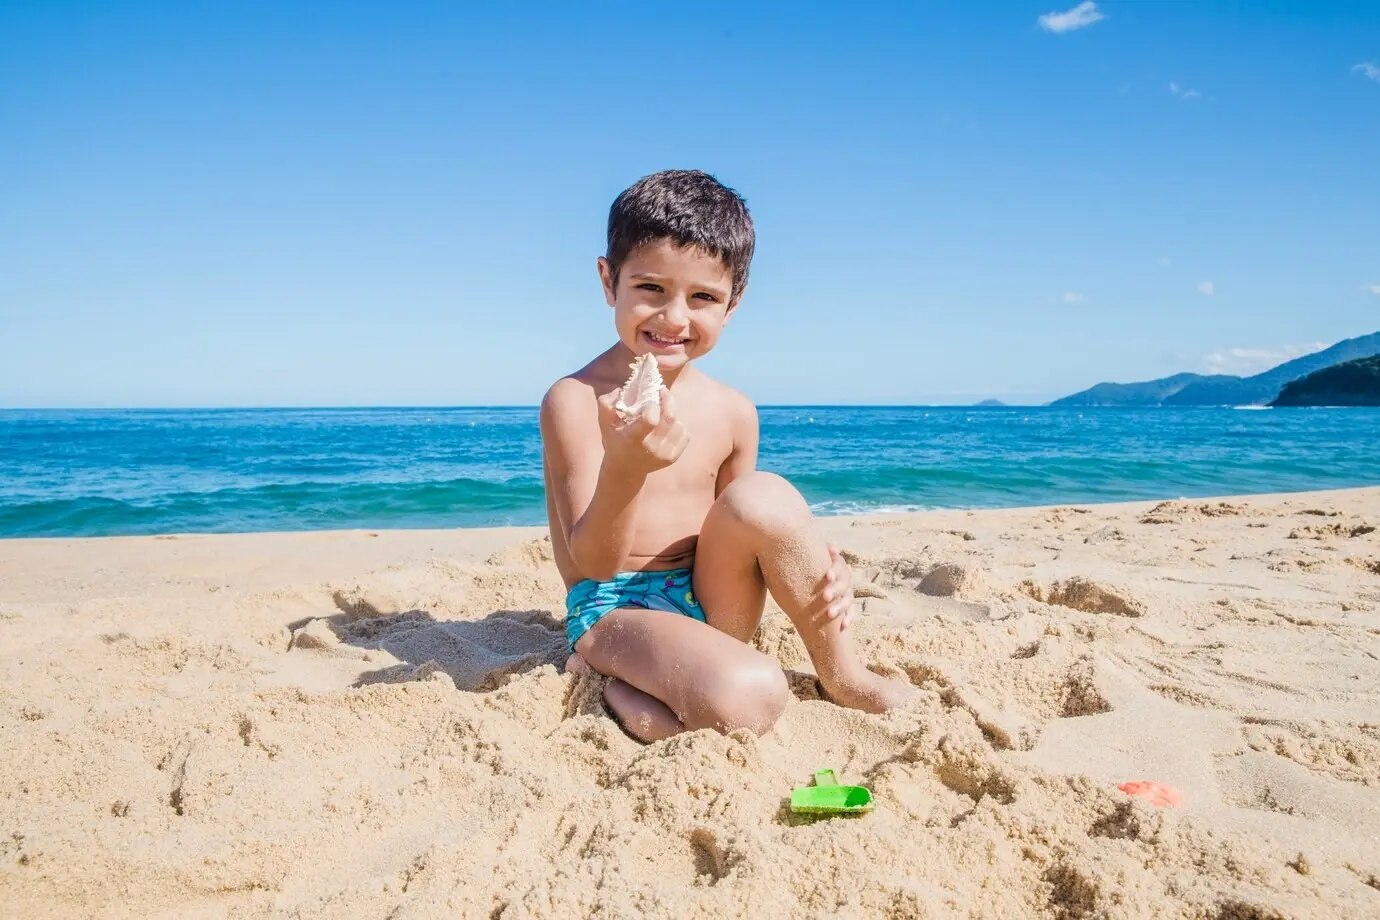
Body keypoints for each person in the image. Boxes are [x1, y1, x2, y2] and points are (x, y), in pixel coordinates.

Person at [539, 169, 914, 742]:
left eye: (704, 297)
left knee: (767, 495)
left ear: (732, 304)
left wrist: (821, 567)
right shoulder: (577, 400)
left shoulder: (734, 411)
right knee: (755, 694)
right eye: (651, 289)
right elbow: (592, 564)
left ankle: (844, 676)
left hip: (711, 603)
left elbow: (743, 529)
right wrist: (626, 469)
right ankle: (615, 681)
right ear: (608, 280)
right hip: (613, 611)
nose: (673, 318)